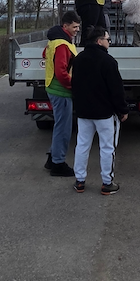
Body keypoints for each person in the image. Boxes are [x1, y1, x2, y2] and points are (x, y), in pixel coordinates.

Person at [71, 26, 128, 195]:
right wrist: (122, 110)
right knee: (107, 147)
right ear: (99, 41)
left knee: (82, 145)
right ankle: (107, 183)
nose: (109, 42)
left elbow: (74, 85)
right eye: (107, 39)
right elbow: (116, 90)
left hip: (83, 112)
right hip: (104, 113)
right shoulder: (108, 61)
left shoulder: (78, 59)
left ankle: (79, 181)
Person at [43, 10, 81, 177]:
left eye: (78, 27)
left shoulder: (56, 41)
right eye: (74, 27)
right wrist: (73, 86)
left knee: (60, 125)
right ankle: (58, 164)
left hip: (54, 88)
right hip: (61, 90)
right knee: (63, 128)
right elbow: (61, 72)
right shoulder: (63, 45)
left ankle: (52, 158)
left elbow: (46, 55)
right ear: (65, 26)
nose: (77, 30)